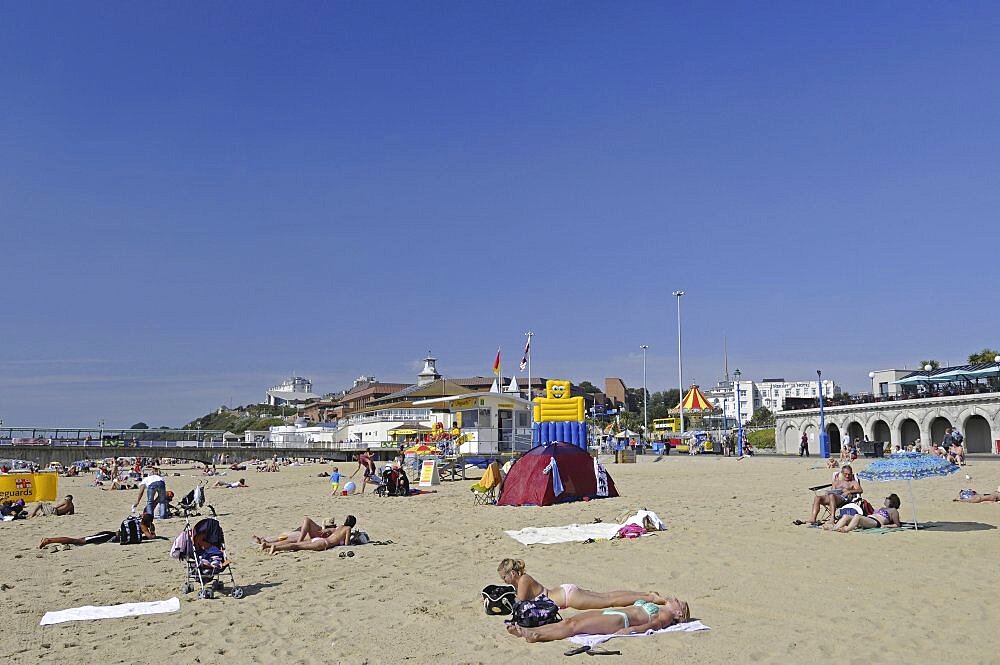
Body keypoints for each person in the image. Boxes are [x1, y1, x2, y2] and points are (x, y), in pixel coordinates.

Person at [497, 559, 669, 610]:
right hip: (566, 591)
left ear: (512, 574)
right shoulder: (523, 579)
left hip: (567, 598)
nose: (504, 581)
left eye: (504, 577)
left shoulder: (523, 581)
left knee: (609, 601)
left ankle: (650, 597)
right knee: (607, 596)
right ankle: (647, 594)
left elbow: (519, 603)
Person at [505, 597, 690, 643]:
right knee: (570, 621)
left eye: (679, 602)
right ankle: (528, 632)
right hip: (614, 613)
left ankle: (537, 635)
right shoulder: (661, 606)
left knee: (574, 626)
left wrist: (631, 631)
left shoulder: (666, 615)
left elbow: (653, 625)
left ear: (679, 613)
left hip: (621, 620)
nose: (675, 599)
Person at [38, 512, 158, 548]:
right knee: (80, 541)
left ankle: (56, 541)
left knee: (80, 541)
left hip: (111, 533)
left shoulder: (136, 520)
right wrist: (152, 530)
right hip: (110, 537)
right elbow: (151, 537)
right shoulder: (142, 525)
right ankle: (49, 540)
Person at [796, 464, 863, 526]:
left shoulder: (853, 482)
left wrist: (849, 491)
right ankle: (813, 518)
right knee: (817, 498)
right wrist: (828, 493)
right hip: (833, 497)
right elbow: (833, 491)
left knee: (831, 496)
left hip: (843, 499)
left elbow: (860, 490)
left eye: (849, 474)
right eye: (845, 474)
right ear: (842, 473)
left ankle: (832, 518)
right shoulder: (836, 482)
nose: (847, 476)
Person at [266, 515, 356, 554]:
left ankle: (267, 545)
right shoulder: (348, 529)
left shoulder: (339, 527)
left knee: (296, 544)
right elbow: (346, 544)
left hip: (318, 539)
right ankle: (276, 548)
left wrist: (326, 529)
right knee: (297, 546)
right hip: (324, 544)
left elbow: (331, 529)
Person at [826, 494, 902, 532]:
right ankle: (834, 528)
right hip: (869, 519)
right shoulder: (882, 508)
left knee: (857, 516)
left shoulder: (893, 510)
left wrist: (886, 526)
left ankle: (846, 529)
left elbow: (897, 525)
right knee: (846, 516)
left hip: (876, 523)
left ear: (892, 501)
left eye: (887, 498)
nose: (885, 499)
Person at [253, 516, 340, 547]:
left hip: (305, 537)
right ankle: (265, 542)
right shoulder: (321, 530)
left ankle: (266, 543)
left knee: (287, 539)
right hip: (304, 537)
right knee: (287, 539)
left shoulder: (331, 531)